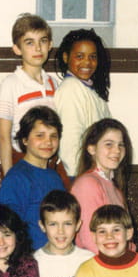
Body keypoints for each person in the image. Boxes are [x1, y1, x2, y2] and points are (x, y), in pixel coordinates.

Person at [0, 106, 65, 250]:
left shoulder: (55, 177)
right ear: (25, 140)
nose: (48, 142)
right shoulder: (17, 178)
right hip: (31, 256)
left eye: (53, 136)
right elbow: (7, 228)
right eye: (40, 135)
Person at [0, 14, 58, 176]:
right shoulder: (11, 83)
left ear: (50, 45)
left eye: (42, 41)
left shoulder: (53, 83)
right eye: (30, 43)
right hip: (22, 161)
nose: (38, 48)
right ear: (17, 49)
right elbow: (3, 136)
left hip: (49, 161)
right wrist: (9, 176)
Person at [55, 29, 112, 177]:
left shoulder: (92, 90)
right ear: (66, 57)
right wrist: (79, 179)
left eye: (92, 57)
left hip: (97, 174)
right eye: (79, 56)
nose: (87, 62)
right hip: (80, 176)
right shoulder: (70, 89)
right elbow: (70, 143)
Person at [70, 118, 133, 253]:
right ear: (92, 149)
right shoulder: (87, 184)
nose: (117, 150)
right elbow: (89, 241)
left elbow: (126, 237)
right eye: (109, 144)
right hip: (97, 262)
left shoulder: (115, 188)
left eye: (121, 145)